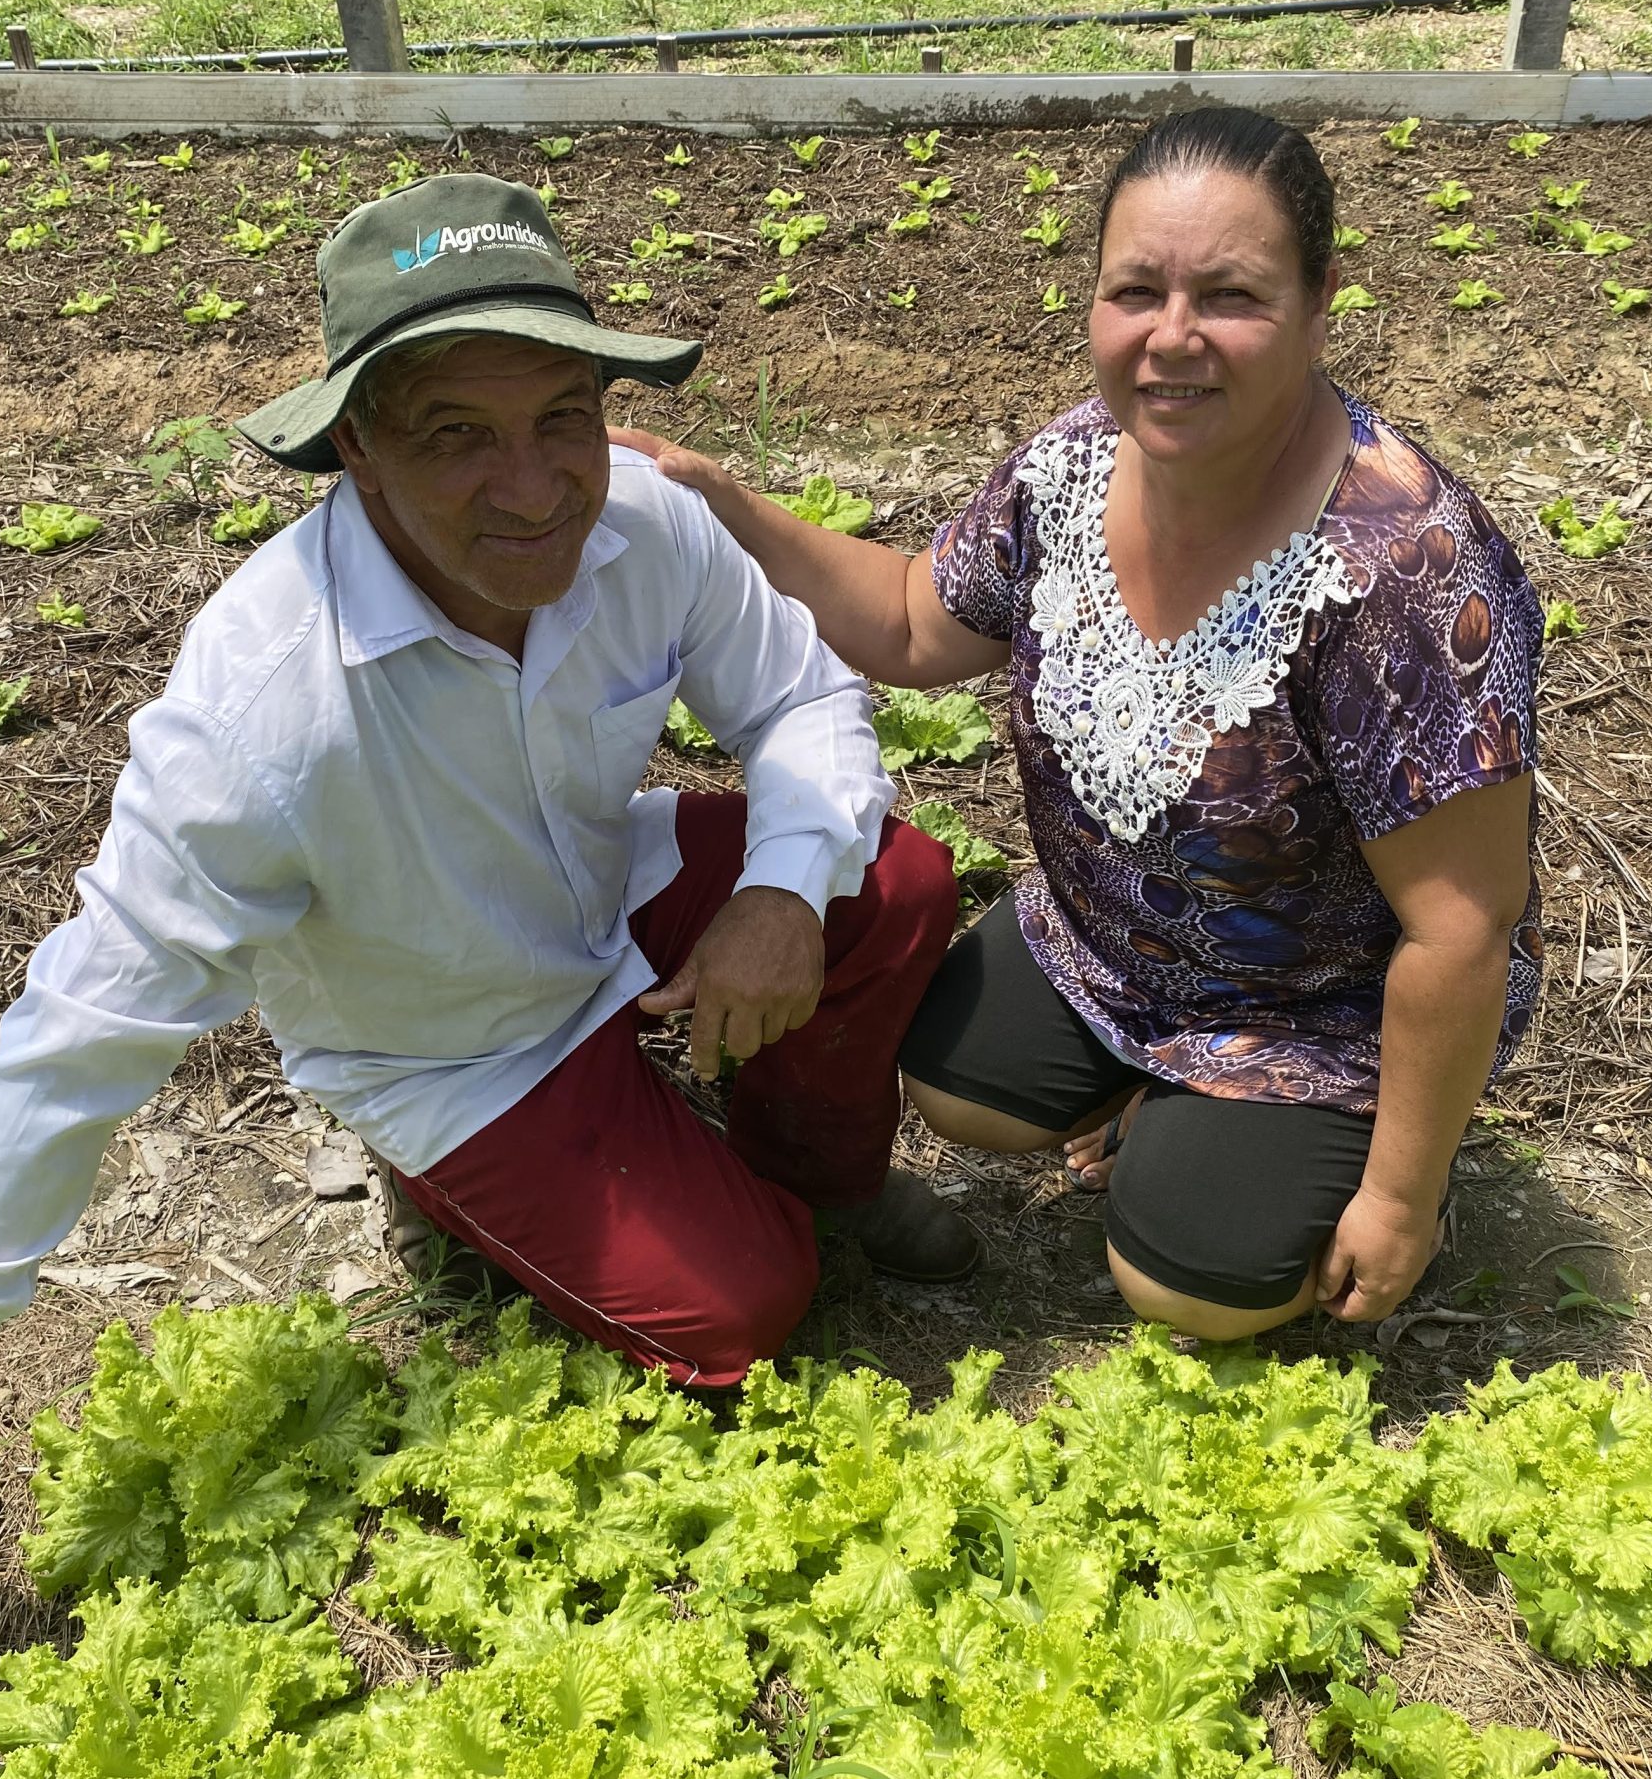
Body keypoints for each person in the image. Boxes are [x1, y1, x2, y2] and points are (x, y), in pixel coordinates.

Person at [0, 175, 973, 1556]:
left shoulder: (648, 524)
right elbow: (79, 1037)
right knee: (747, 1305)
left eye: (563, 419)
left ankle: (817, 1175)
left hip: (601, 897)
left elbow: (799, 703)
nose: (534, 489)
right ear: (358, 447)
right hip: (458, 1045)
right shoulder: (261, 709)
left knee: (884, 884)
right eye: (457, 435)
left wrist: (776, 895)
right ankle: (477, 1185)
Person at [623, 107, 1543, 1341]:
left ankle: (1270, 1134)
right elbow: (910, 621)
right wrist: (726, 503)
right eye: (1136, 291)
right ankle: (1157, 1102)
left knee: (1186, 1284)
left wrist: (1401, 1192)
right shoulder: (1072, 462)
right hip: (1112, 952)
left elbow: (1461, 926)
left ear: (1323, 297)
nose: (1173, 338)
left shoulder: (1402, 573)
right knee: (957, 1091)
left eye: (1230, 294)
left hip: (1315, 1008)